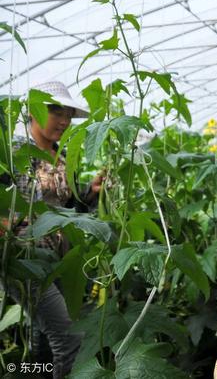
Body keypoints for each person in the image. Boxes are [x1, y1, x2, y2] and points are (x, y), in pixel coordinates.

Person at [8, 81, 102, 378]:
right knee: (68, 337)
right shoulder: (13, 155)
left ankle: (38, 372)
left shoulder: (63, 158)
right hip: (24, 258)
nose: (64, 121)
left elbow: (73, 206)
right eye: (55, 111)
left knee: (43, 334)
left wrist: (92, 192)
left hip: (60, 258)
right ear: (33, 112)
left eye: (68, 114)